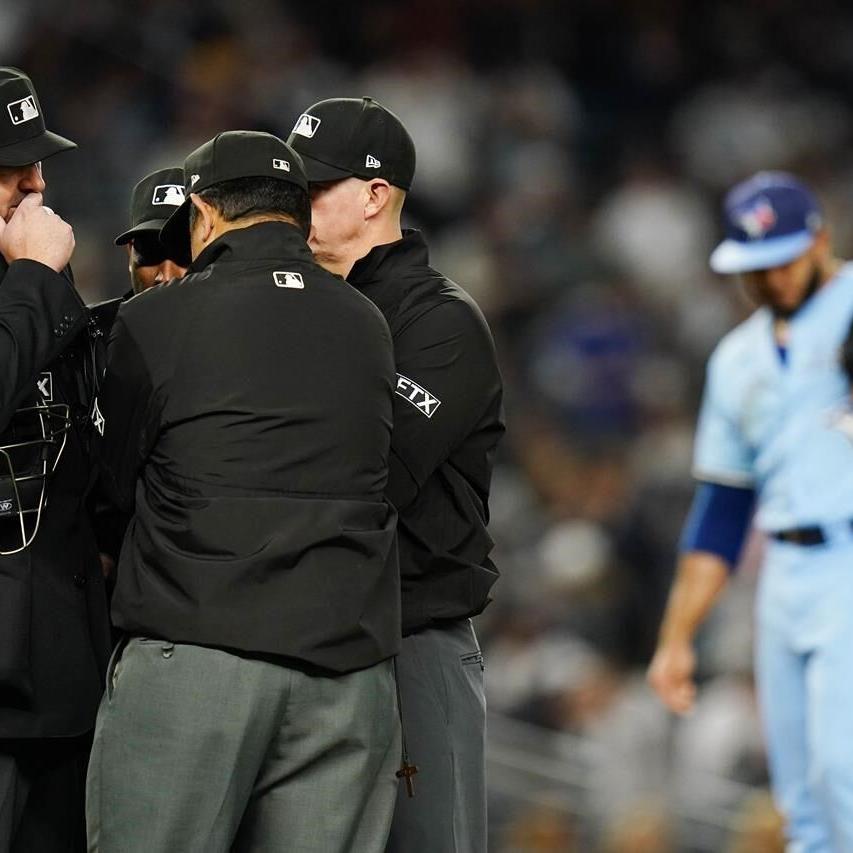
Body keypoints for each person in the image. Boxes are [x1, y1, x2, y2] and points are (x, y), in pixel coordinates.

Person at [86, 130, 401, 853]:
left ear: (201, 213)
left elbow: (107, 491)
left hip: (198, 658)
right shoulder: (368, 324)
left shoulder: (154, 318)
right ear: (296, 213)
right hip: (346, 677)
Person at [288, 97, 504, 853]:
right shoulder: (294, 308)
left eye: (313, 188)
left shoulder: (439, 320)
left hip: (414, 637)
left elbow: (370, 480)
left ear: (376, 195)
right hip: (311, 634)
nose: (293, 207)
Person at [647, 171, 853, 851]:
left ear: (819, 238)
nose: (771, 278)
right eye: (755, 267)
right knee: (799, 798)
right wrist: (677, 636)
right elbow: (722, 510)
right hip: (783, 577)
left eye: (783, 259)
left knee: (843, 773)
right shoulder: (735, 360)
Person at [0, 67, 111, 853]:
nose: (37, 181)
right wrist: (37, 279)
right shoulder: (32, 278)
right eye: (13, 164)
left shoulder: (34, 279)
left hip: (58, 682)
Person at [113, 166, 189, 294]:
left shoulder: (231, 312)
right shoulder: (100, 315)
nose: (166, 277)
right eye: (150, 252)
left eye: (183, 254)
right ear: (131, 252)